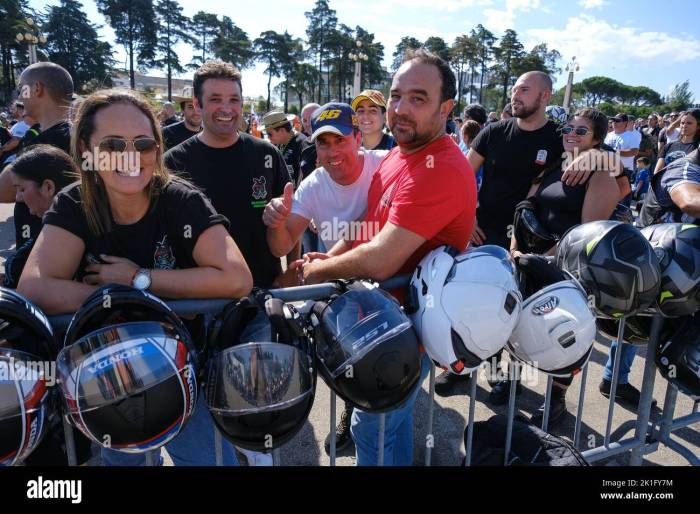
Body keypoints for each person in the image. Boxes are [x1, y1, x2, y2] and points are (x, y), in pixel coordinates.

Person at [17, 88, 253, 467]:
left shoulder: (179, 198)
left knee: (207, 461)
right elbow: (34, 287)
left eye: (143, 144)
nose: (131, 156)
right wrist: (128, 293)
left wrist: (139, 280)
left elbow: (237, 278)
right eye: (112, 144)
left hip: (181, 369)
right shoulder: (75, 203)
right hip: (105, 376)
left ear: (157, 150)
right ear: (85, 150)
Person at [294, 49, 477, 466]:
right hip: (390, 320)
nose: (401, 109)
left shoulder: (440, 167)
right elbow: (368, 220)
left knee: (372, 425)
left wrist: (318, 271)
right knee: (389, 421)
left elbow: (382, 258)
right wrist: (332, 254)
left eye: (418, 98)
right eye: (396, 96)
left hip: (414, 325)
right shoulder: (401, 152)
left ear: (445, 108)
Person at [444, 71, 595, 400]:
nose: (516, 95)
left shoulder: (559, 138)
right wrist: (467, 217)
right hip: (484, 234)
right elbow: (462, 177)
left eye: (525, 90)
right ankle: (464, 368)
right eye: (514, 89)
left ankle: (505, 380)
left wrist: (602, 157)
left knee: (515, 314)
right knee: (473, 307)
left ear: (545, 97)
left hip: (528, 243)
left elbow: (600, 154)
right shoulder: (494, 132)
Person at [262, 103, 389, 454]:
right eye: (323, 144)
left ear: (358, 138)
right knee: (354, 369)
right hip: (347, 288)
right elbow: (282, 245)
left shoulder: (385, 164)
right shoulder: (314, 185)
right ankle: (354, 414)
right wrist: (276, 222)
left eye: (340, 140)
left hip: (396, 289)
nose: (332, 152)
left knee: (388, 397)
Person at [508, 108, 620, 425]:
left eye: (581, 131)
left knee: (564, 335)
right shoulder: (558, 163)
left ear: (598, 139)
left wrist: (545, 258)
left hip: (565, 269)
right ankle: (513, 381)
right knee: (519, 325)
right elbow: (527, 207)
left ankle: (556, 400)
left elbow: (587, 233)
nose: (572, 133)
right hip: (529, 261)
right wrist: (516, 248)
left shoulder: (600, 173)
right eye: (568, 128)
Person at [164, 60, 294, 291]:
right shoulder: (173, 163)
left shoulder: (266, 154)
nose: (226, 108)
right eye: (215, 99)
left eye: (234, 100)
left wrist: (289, 273)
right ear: (197, 103)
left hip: (262, 294)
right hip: (199, 302)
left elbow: (288, 232)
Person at [0, 62, 73, 250]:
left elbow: (4, 189)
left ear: (37, 88)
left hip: (42, 252)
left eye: (21, 89)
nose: (20, 96)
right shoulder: (75, 134)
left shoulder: (48, 140)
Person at [3, 145, 77, 288]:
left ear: (48, 187)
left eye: (22, 189)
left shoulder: (67, 232)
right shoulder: (55, 223)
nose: (18, 197)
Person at [260, 109, 306, 186]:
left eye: (270, 134)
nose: (268, 137)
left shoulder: (302, 143)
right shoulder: (278, 143)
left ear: (282, 131)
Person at [653, 109, 700, 174]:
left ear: (698, 126)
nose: (684, 126)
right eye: (682, 123)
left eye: (689, 123)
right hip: (666, 182)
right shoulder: (669, 146)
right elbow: (657, 172)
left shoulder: (698, 147)